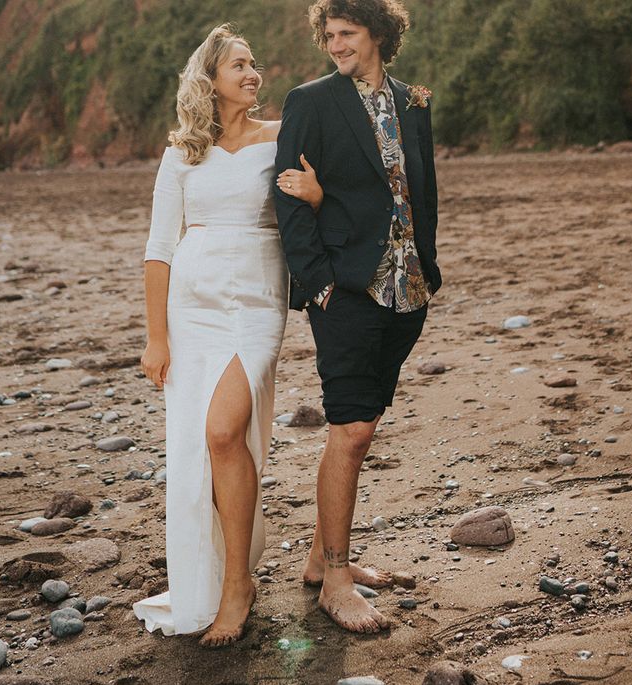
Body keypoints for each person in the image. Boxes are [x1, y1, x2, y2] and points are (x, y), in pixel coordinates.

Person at [134, 24, 322, 647]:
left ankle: (238, 583)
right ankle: (230, 575)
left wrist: (317, 194)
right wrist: (156, 337)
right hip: (192, 309)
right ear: (209, 79)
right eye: (238, 65)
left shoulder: (280, 139)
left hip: (258, 304)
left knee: (223, 430)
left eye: (253, 63)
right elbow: (159, 249)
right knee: (205, 446)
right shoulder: (182, 151)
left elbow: (324, 197)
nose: (252, 74)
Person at [274, 0, 441, 634]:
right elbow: (289, 196)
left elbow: (419, 190)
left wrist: (429, 266)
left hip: (408, 291)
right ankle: (336, 582)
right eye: (329, 35)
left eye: (346, 33)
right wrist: (316, 284)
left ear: (378, 32)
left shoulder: (413, 101)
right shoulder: (312, 101)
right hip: (344, 292)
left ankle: (321, 559)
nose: (336, 45)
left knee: (361, 425)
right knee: (352, 431)